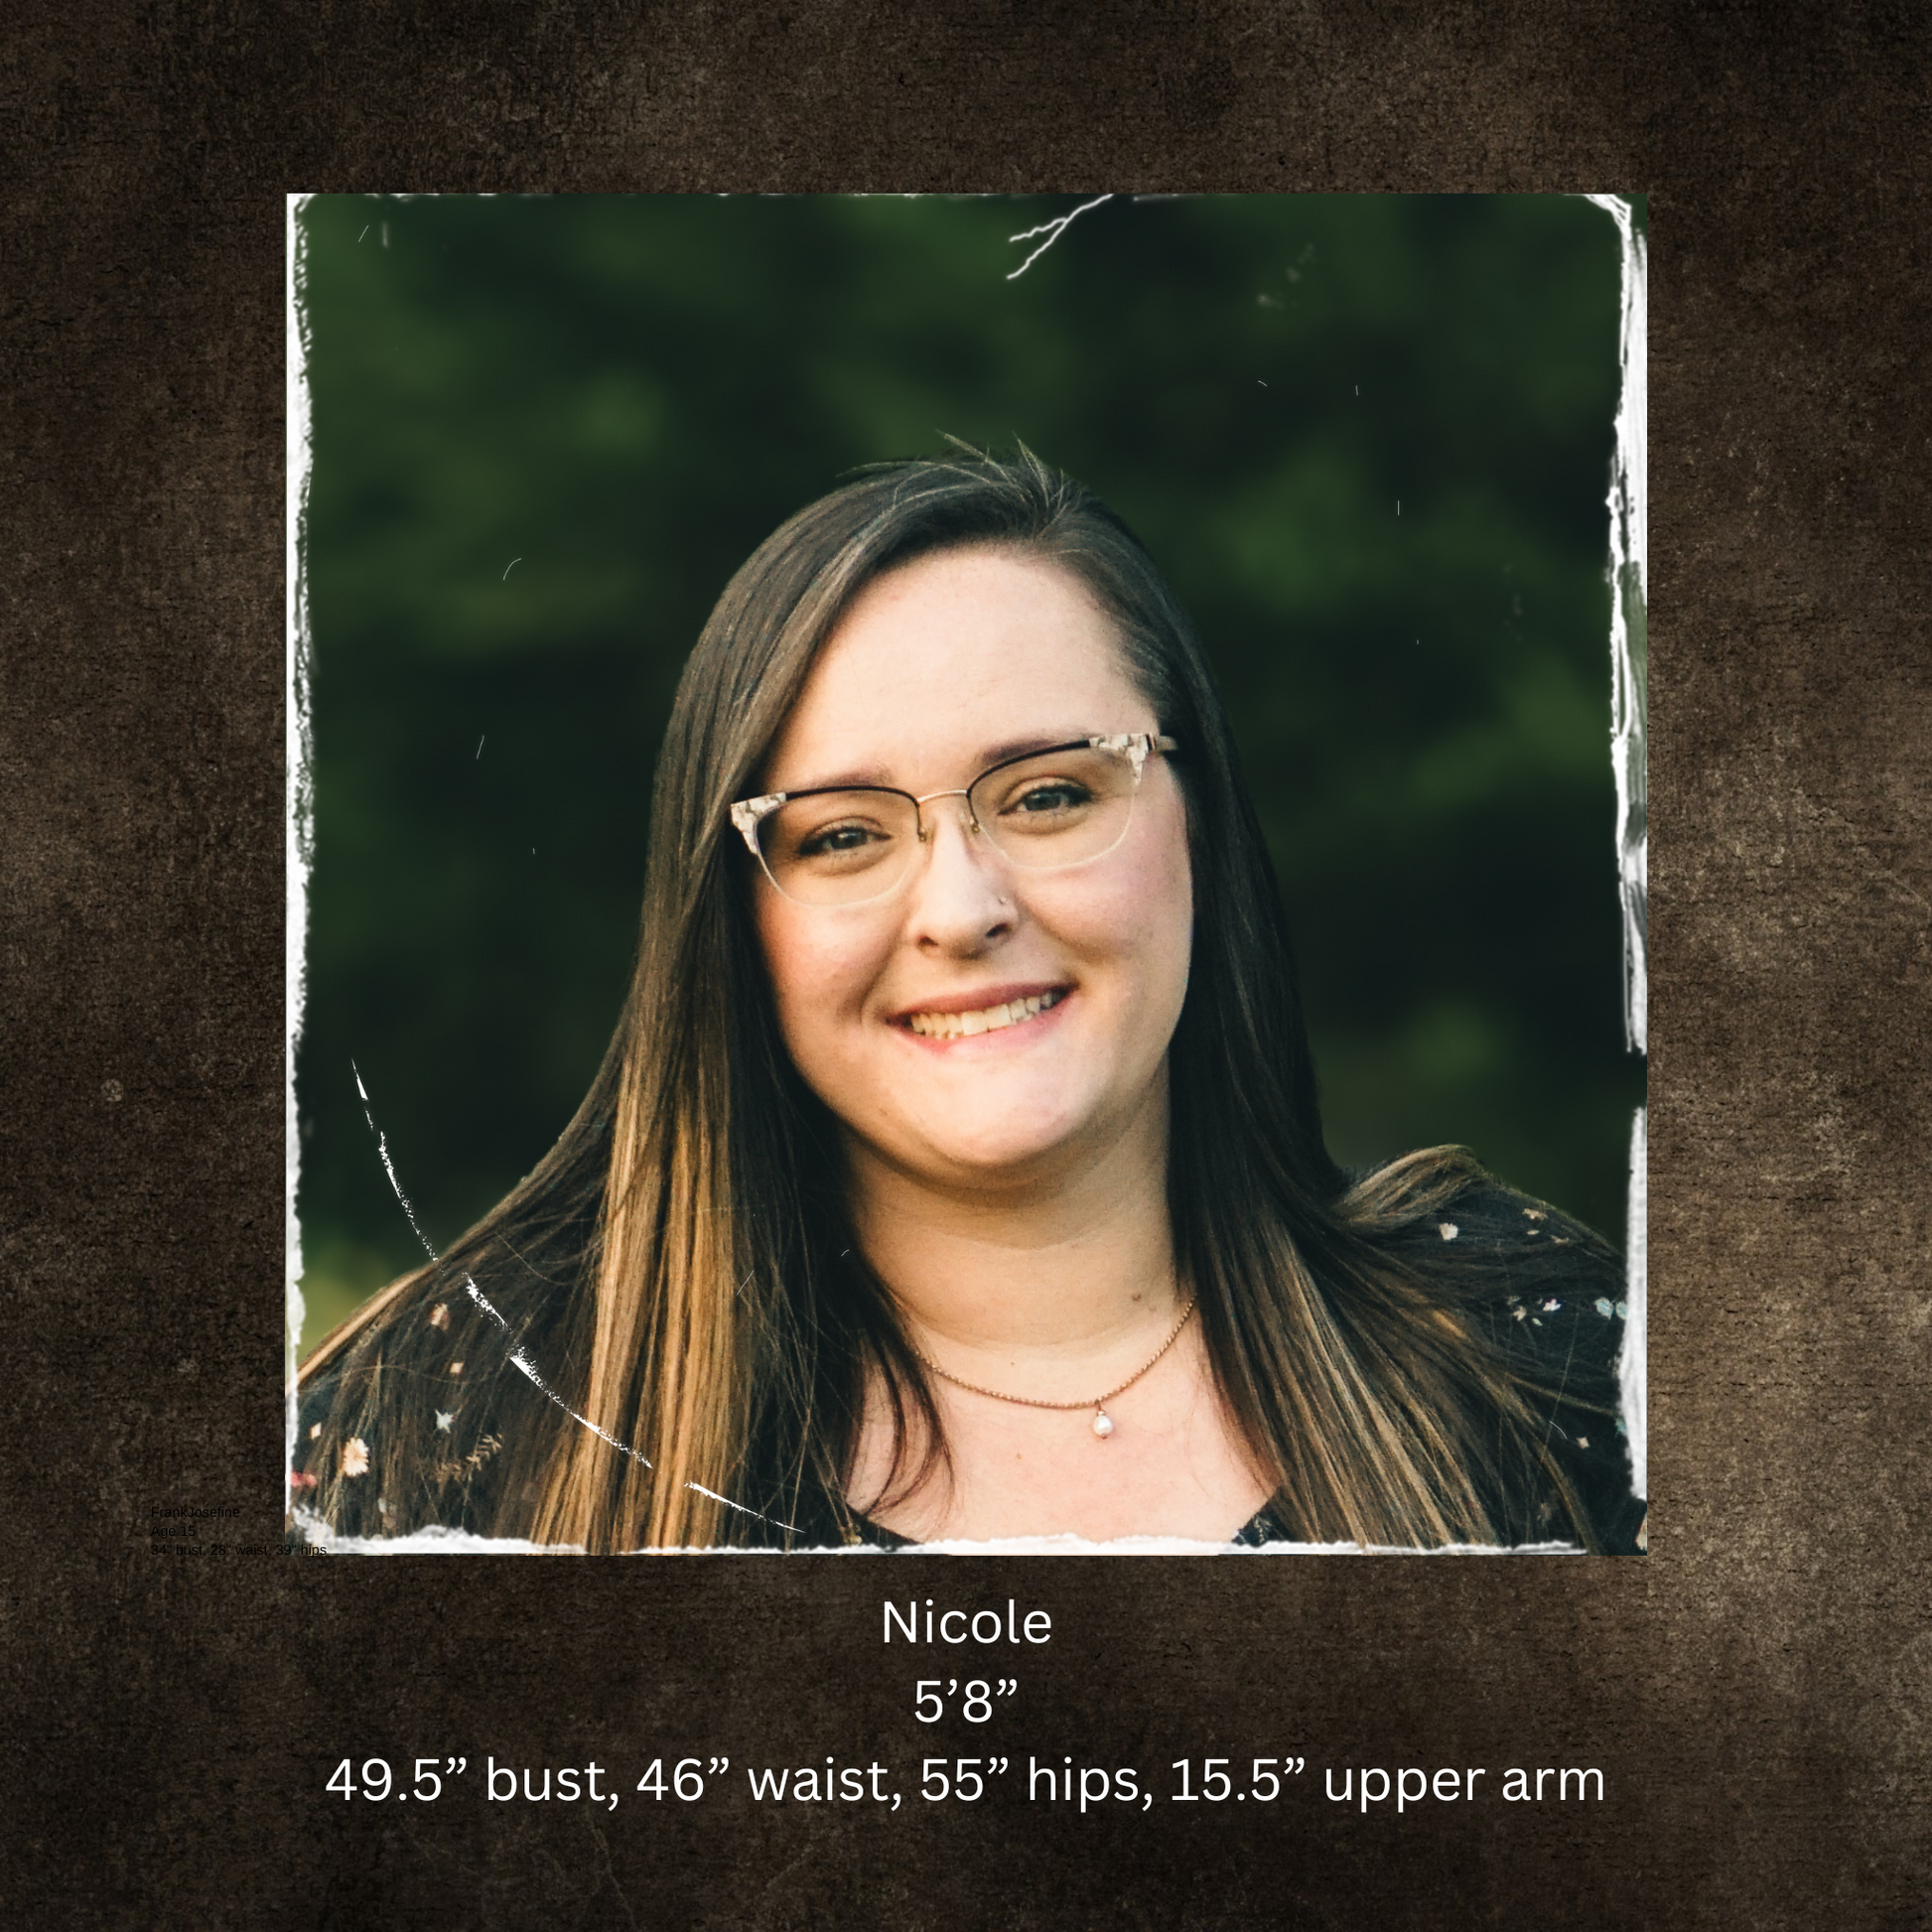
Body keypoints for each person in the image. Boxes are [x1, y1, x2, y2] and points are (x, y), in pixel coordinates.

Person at [291, 451, 1643, 1554]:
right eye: (841, 835)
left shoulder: (1549, 1366)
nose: (959, 907)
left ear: (1201, 822)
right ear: (728, 922)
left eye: (1049, 793)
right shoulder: (458, 1421)